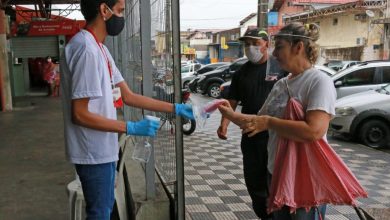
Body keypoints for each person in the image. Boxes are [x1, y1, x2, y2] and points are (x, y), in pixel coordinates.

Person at [60, 0, 194, 219]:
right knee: (100, 212)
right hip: (92, 152)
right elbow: (80, 114)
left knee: (104, 208)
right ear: (104, 10)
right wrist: (130, 126)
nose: (122, 17)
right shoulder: (86, 50)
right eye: (120, 11)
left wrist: (174, 107)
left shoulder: (100, 49)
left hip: (102, 149)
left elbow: (128, 96)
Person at [218, 23, 336, 219]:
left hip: (304, 177)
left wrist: (269, 123)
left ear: (298, 47)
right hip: (277, 172)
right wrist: (229, 116)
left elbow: (314, 131)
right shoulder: (282, 83)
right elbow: (258, 120)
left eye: (279, 46)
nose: (274, 53)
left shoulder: (319, 82)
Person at [217, 28, 284, 220]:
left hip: (277, 135)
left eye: (255, 43)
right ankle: (264, 215)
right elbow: (232, 101)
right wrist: (224, 124)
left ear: (266, 44)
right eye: (247, 44)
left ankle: (277, 215)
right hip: (251, 135)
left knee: (276, 180)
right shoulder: (241, 73)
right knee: (254, 182)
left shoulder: (280, 68)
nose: (250, 48)